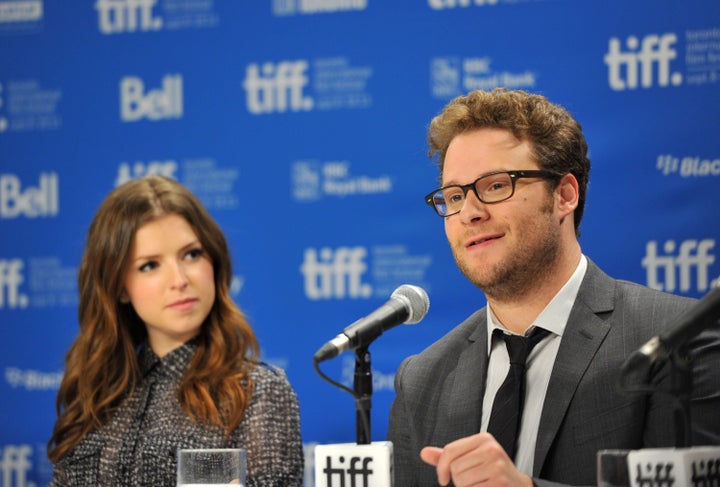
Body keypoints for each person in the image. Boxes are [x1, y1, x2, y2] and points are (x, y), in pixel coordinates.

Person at [387, 88, 720, 486]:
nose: (470, 213)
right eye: (454, 196)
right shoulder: (423, 379)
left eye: (495, 186)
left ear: (564, 195)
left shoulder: (675, 340)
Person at [47, 175, 304, 486]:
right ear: (119, 287)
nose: (179, 279)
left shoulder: (255, 392)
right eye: (150, 265)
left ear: (215, 261)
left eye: (191, 254)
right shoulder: (93, 397)